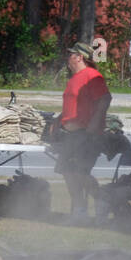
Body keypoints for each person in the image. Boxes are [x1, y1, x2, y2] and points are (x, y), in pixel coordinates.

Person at [51, 42, 112, 219]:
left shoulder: (92, 76)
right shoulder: (74, 78)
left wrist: (94, 123)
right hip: (70, 135)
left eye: (70, 54)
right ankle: (79, 210)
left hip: (86, 134)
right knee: (67, 172)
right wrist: (58, 120)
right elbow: (73, 105)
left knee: (80, 173)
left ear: (79, 57)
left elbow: (105, 99)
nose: (67, 58)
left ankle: (102, 200)